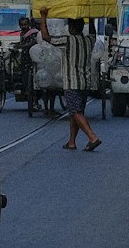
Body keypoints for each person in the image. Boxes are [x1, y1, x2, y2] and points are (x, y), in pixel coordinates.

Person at [38, 8, 101, 151]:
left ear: (71, 28)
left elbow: (46, 37)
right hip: (84, 82)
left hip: (71, 82)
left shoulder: (67, 40)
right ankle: (71, 142)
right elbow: (93, 33)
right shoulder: (89, 41)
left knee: (76, 112)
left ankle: (92, 137)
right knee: (76, 112)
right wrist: (91, 17)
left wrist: (43, 17)